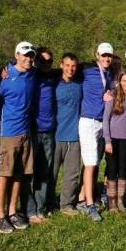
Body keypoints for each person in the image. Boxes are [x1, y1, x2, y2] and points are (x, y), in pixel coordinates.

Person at [0, 41, 36, 233]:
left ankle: (12, 212)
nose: (29, 58)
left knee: (19, 173)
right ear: (16, 55)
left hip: (25, 131)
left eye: (31, 55)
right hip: (8, 133)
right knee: (4, 175)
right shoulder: (4, 76)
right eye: (25, 55)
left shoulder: (31, 74)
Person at [76, 42, 113, 222]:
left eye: (109, 56)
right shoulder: (87, 69)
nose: (106, 58)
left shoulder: (109, 72)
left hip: (101, 123)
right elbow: (65, 71)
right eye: (103, 55)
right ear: (97, 55)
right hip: (88, 121)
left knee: (94, 163)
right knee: (90, 164)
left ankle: (82, 198)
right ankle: (91, 205)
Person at [23, 47, 57, 224]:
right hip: (32, 132)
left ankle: (41, 208)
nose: (46, 64)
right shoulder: (30, 75)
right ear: (35, 61)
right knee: (28, 173)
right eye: (42, 61)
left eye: (49, 61)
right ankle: (28, 210)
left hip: (49, 132)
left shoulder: (54, 76)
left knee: (44, 173)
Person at [103, 70, 126, 211]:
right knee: (112, 170)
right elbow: (105, 119)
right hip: (112, 139)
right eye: (124, 81)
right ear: (119, 81)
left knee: (124, 170)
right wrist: (107, 140)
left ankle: (120, 200)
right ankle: (111, 202)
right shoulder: (112, 96)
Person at [52, 53, 82, 216]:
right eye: (68, 65)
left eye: (74, 66)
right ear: (61, 65)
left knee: (72, 174)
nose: (71, 69)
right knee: (52, 173)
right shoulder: (53, 84)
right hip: (56, 136)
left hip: (74, 137)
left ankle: (67, 204)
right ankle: (48, 203)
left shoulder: (79, 84)